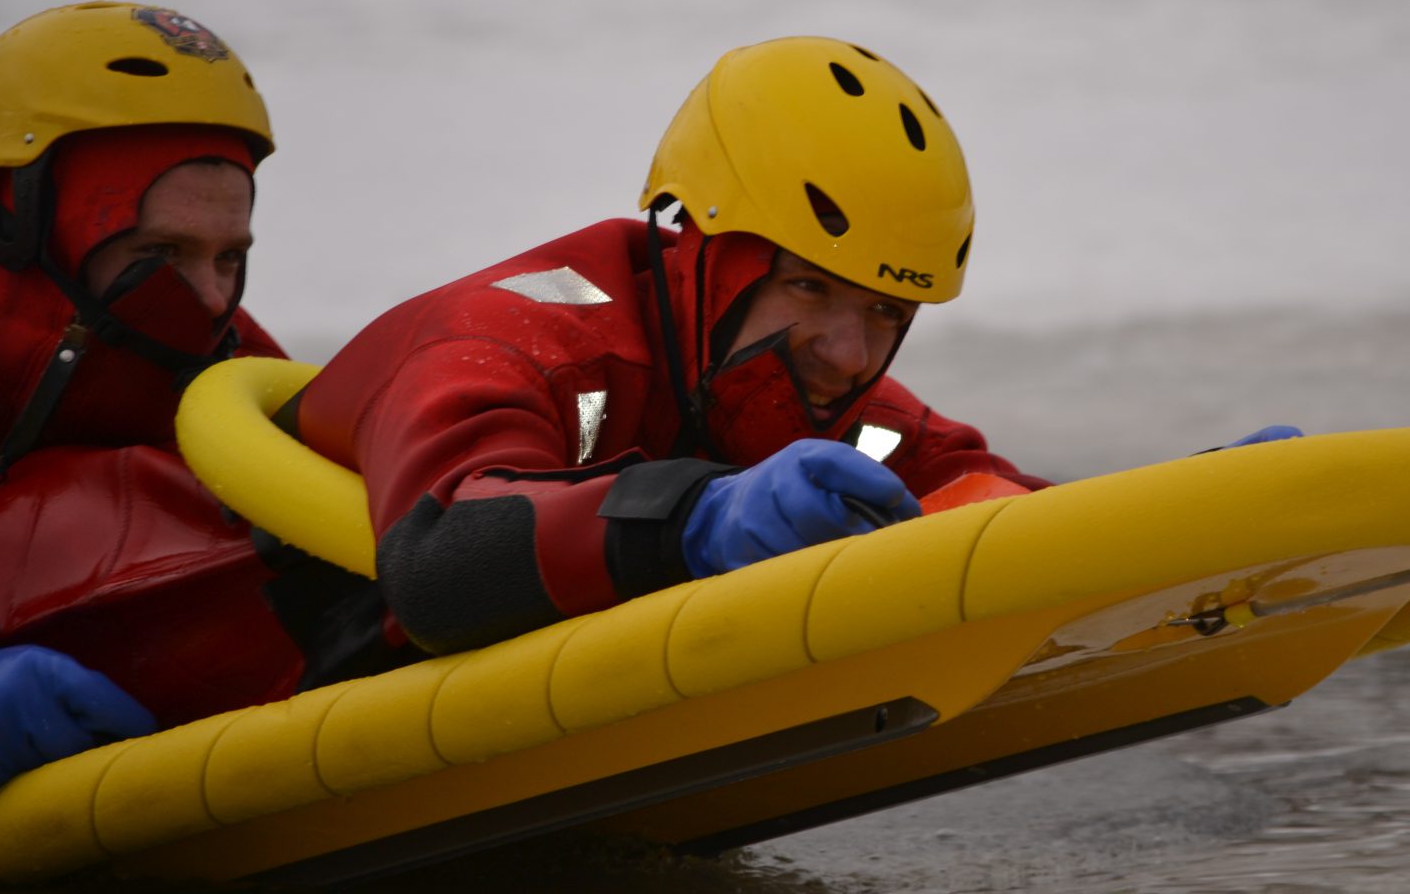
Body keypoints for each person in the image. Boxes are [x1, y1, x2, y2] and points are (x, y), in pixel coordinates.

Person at [291, 36, 1296, 657]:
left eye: (888, 313)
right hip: (250, 666)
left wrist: (1182, 521)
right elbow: (432, 569)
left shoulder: (833, 413)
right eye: (809, 286)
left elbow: (975, 500)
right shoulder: (512, 339)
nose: (848, 352)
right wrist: (695, 519)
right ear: (709, 253)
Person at [0, 2, 372, 822]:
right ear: (15, 212)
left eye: (230, 257)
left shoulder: (236, 365)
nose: (208, 298)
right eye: (162, 255)